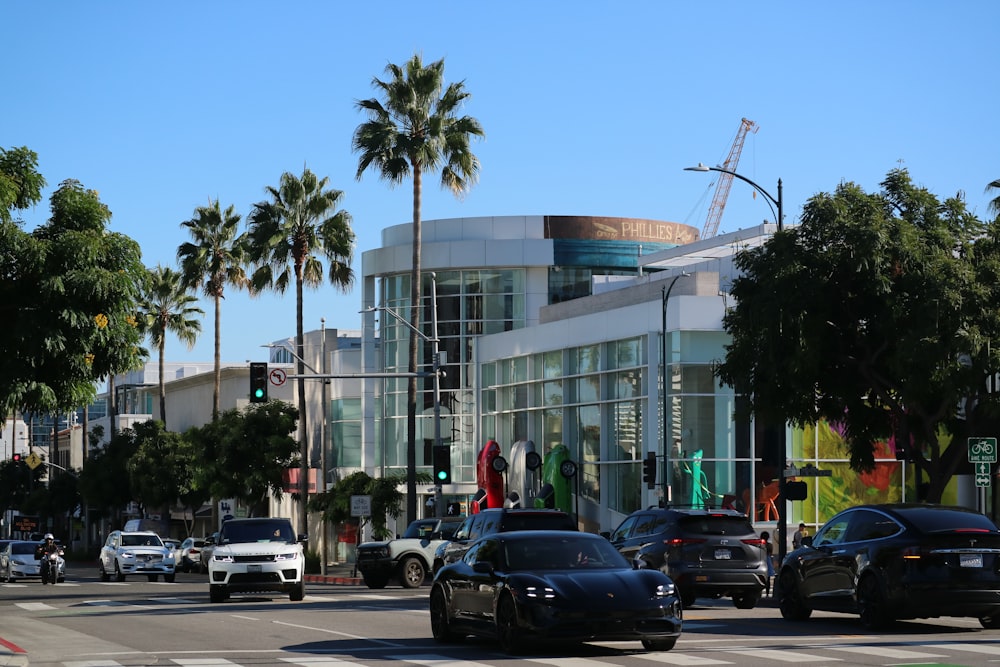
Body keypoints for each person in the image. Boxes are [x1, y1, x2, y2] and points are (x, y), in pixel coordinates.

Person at [760, 531, 775, 596]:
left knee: (760, 579)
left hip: (760, 560)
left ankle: (760, 593)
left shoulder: (760, 544)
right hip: (768, 561)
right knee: (768, 579)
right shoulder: (769, 545)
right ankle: (767, 593)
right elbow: (771, 554)